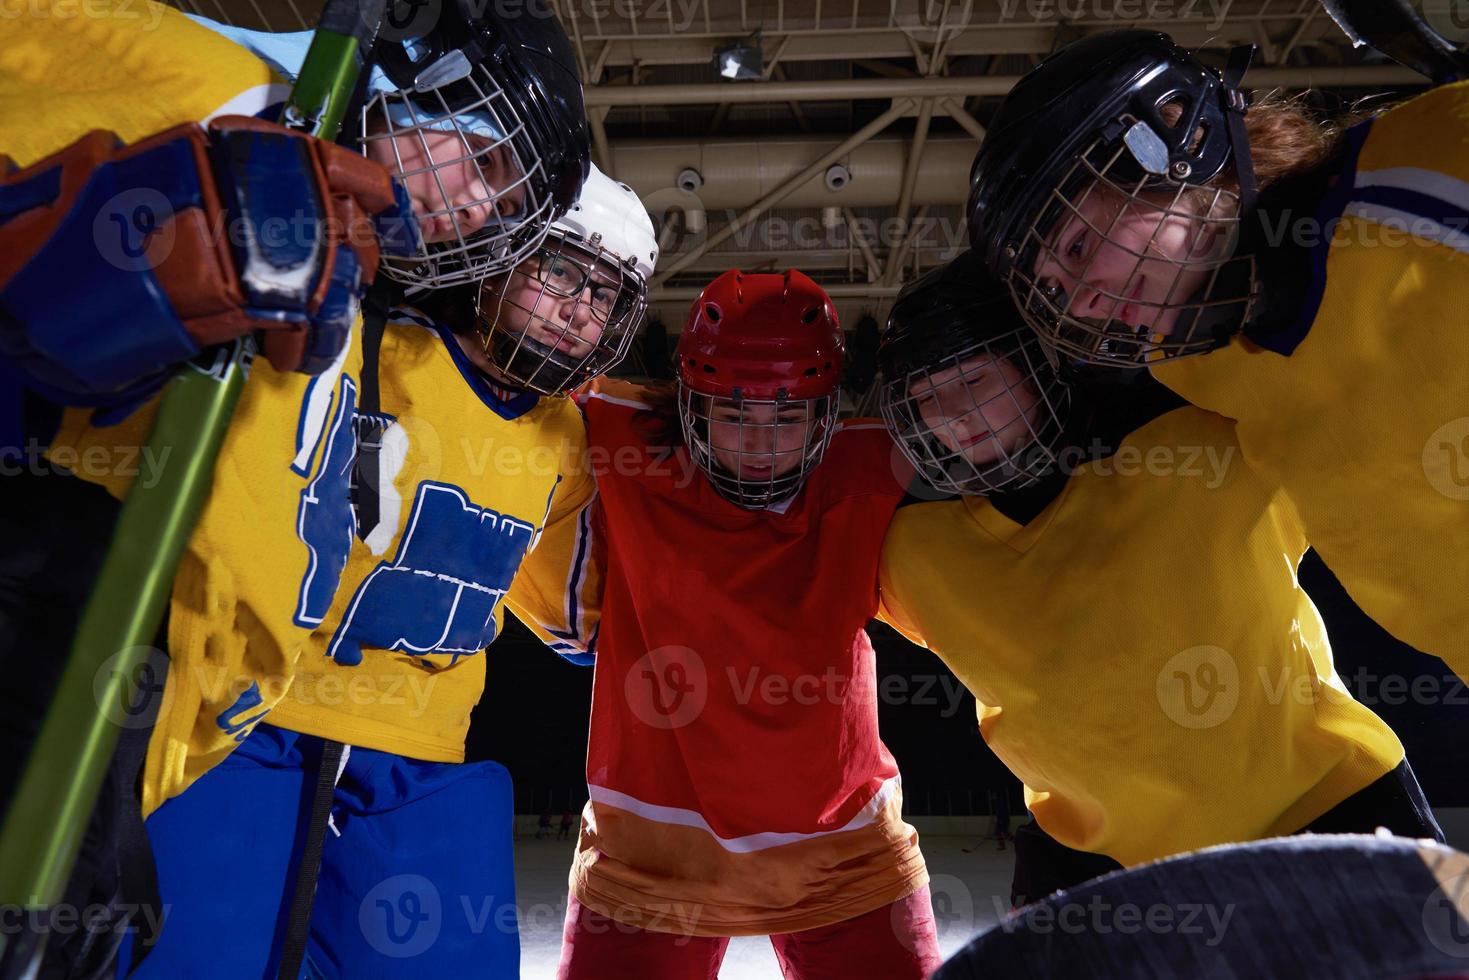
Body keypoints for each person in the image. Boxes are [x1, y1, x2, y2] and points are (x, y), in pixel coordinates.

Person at [0, 1, 596, 975]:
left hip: (154, 721)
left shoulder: (355, 259)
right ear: (422, 83)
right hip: (55, 617)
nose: (486, 207)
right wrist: (112, 243)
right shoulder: (215, 91)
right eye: (484, 162)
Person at [128, 171, 658, 976]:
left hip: (422, 755)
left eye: (607, 297)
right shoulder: (357, 343)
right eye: (560, 273)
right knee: (190, 961)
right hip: (250, 726)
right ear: (498, 258)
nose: (581, 309)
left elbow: (579, 624)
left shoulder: (566, 442)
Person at [875, 253, 1441, 907]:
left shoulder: (1203, 445)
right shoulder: (913, 552)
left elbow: (1338, 378)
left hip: (1328, 805)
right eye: (923, 396)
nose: (952, 413)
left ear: (1039, 359)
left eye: (971, 377)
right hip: (1094, 861)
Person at [966, 28, 1469, 683]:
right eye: (1055, 289)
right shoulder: (1199, 365)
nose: (1080, 306)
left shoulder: (1417, 177)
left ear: (1176, 146)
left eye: (1075, 249)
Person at [527, 269, 940, 980]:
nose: (758, 443)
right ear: (688, 402)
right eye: (734, 413)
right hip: (649, 865)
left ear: (825, 414)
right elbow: (506, 377)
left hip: (843, 858)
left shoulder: (872, 466)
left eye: (785, 417)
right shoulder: (620, 442)